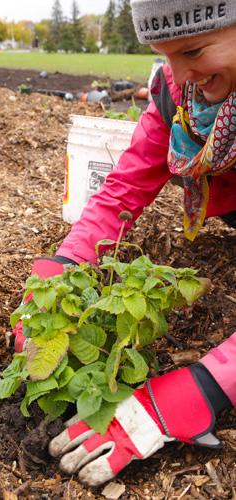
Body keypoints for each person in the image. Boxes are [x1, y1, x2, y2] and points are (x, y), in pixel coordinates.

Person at [14, 0, 236, 487]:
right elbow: (124, 189)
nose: (180, 76)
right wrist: (65, 264)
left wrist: (208, 384)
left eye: (193, 49)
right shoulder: (178, 92)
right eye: (164, 55)